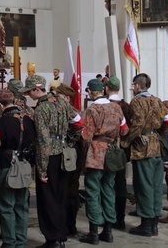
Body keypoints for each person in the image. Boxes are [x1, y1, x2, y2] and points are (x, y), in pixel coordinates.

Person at [19, 75, 83, 248]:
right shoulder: (62, 103)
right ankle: (61, 237)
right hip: (63, 153)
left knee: (48, 199)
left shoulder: (41, 109)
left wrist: (41, 169)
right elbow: (79, 122)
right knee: (60, 196)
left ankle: (51, 239)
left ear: (36, 89)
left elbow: (43, 141)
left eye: (29, 92)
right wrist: (69, 141)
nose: (29, 96)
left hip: (49, 157)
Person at [79, 79, 128, 245]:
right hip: (112, 153)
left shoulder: (92, 109)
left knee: (92, 191)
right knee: (109, 190)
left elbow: (86, 136)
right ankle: (108, 231)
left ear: (91, 92)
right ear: (104, 90)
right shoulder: (117, 107)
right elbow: (125, 129)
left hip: (95, 153)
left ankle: (93, 232)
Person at [124, 73, 168, 237]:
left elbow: (137, 124)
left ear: (137, 86)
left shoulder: (137, 101)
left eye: (133, 85)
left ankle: (146, 224)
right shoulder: (157, 100)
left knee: (143, 186)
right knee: (156, 186)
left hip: (142, 147)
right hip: (156, 145)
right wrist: (158, 135)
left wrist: (127, 140)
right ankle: (153, 224)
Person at [0, 89, 36, 248]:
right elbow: (34, 143)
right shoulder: (28, 120)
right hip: (24, 165)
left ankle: (9, 243)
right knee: (22, 206)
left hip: (6, 165)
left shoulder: (0, 122)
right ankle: (21, 241)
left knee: (6, 207)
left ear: (0, 105)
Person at [103, 75, 132, 230]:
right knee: (120, 184)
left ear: (106, 88)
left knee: (107, 184)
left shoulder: (104, 106)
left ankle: (109, 217)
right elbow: (128, 130)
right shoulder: (126, 106)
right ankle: (120, 218)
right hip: (122, 152)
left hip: (105, 151)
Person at [54, 83, 82, 237]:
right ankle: (70, 225)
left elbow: (79, 124)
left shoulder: (66, 109)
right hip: (72, 151)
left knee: (66, 189)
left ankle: (66, 225)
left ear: (64, 97)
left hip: (67, 151)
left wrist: (70, 140)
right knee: (72, 188)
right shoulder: (71, 109)